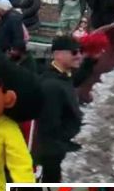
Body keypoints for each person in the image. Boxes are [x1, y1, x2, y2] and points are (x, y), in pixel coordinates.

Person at [35, 36, 89, 183]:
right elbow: (50, 129)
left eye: (80, 51)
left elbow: (74, 80)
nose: (79, 55)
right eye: (74, 52)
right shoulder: (51, 86)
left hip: (64, 151)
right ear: (57, 54)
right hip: (57, 157)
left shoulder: (63, 76)